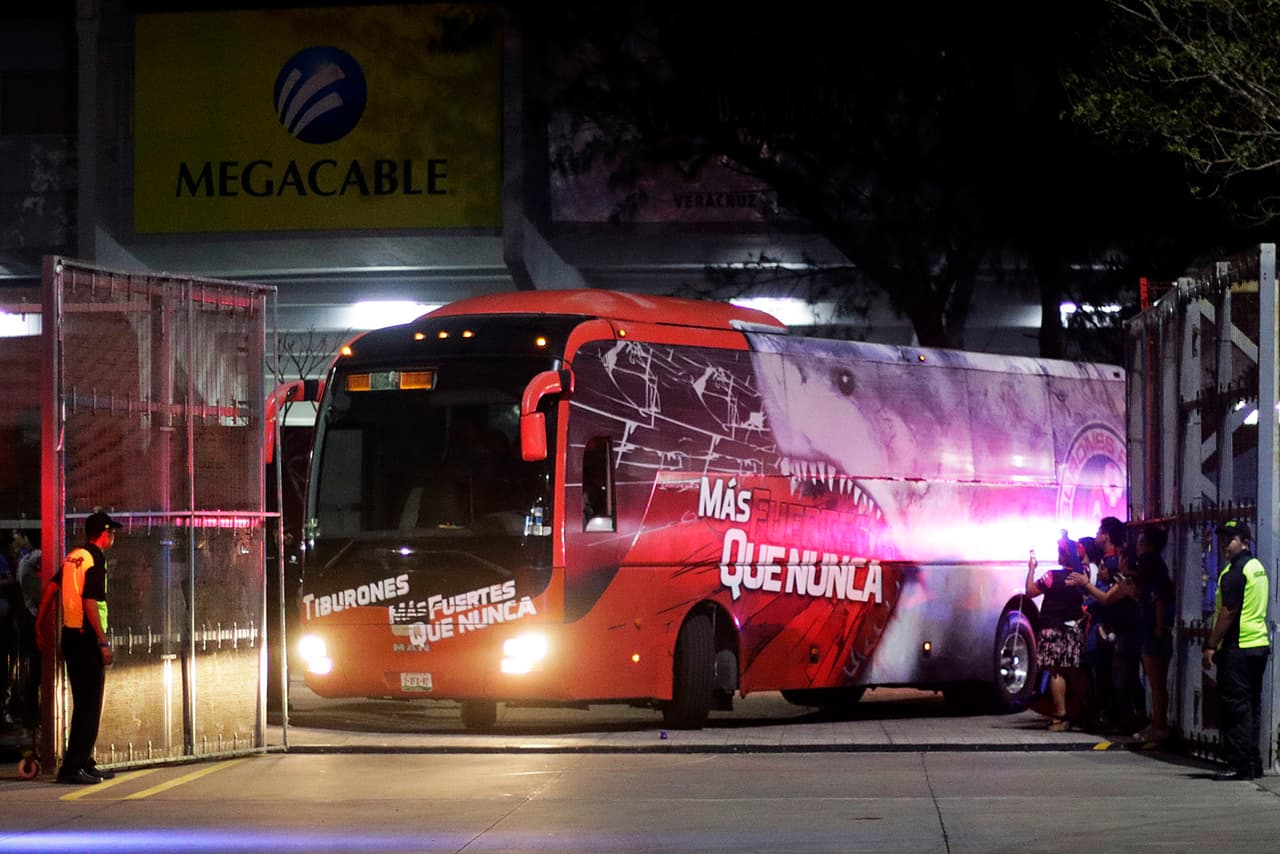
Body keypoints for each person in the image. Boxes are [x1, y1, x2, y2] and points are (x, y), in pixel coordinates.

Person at [51, 511, 123, 785]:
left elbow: (51, 588)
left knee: (84, 704)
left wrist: (42, 624)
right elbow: (90, 602)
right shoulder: (95, 559)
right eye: (112, 532)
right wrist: (102, 641)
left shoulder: (74, 557)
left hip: (71, 637)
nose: (113, 536)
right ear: (104, 533)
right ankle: (72, 768)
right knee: (89, 707)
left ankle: (84, 762)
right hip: (87, 639)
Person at [1203, 519, 1271, 781]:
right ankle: (1252, 762)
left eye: (1230, 539)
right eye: (1222, 539)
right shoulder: (1257, 567)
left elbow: (1228, 612)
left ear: (1244, 542)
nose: (1224, 544)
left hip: (1238, 647)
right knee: (1252, 705)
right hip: (1258, 645)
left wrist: (1211, 645)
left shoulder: (1234, 572)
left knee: (1236, 707)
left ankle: (1239, 764)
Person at [1025, 533, 1087, 731]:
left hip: (1052, 628)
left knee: (1056, 672)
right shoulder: (1082, 576)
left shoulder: (1052, 576)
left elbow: (1030, 591)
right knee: (1076, 672)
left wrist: (1031, 569)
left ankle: (1061, 715)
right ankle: (1090, 712)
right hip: (1073, 628)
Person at [1133, 525, 1174, 742]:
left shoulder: (1152, 568)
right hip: (1154, 631)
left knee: (1157, 683)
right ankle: (1157, 723)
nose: (1138, 548)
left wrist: (1158, 628)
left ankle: (1160, 725)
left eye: (1140, 542)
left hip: (1155, 633)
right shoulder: (1159, 569)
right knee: (1156, 683)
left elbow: (1158, 601)